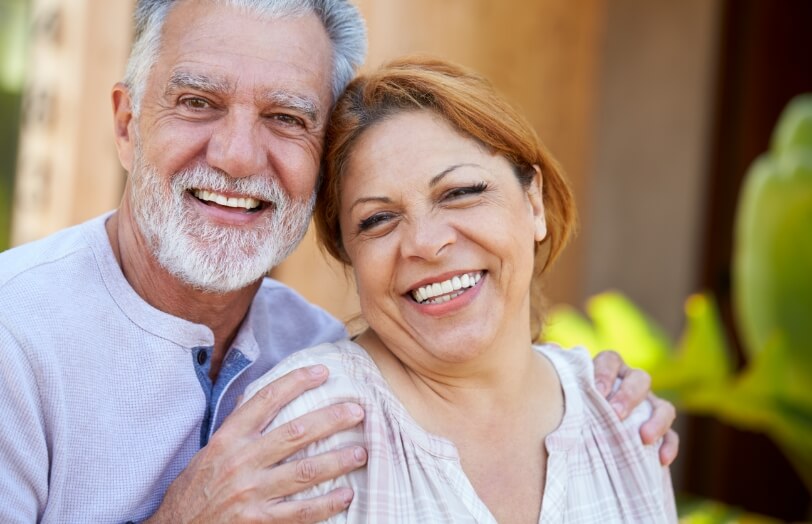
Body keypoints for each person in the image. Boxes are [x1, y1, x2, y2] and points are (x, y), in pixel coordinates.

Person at [0, 1, 676, 522]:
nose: (237, 155)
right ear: (126, 124)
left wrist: (591, 392)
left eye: (286, 118)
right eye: (198, 103)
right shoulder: (15, 335)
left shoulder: (312, 346)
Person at [243, 56, 678, 523]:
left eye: (461, 192)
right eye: (378, 220)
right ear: (350, 255)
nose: (427, 244)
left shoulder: (622, 416)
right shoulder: (312, 429)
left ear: (533, 203)